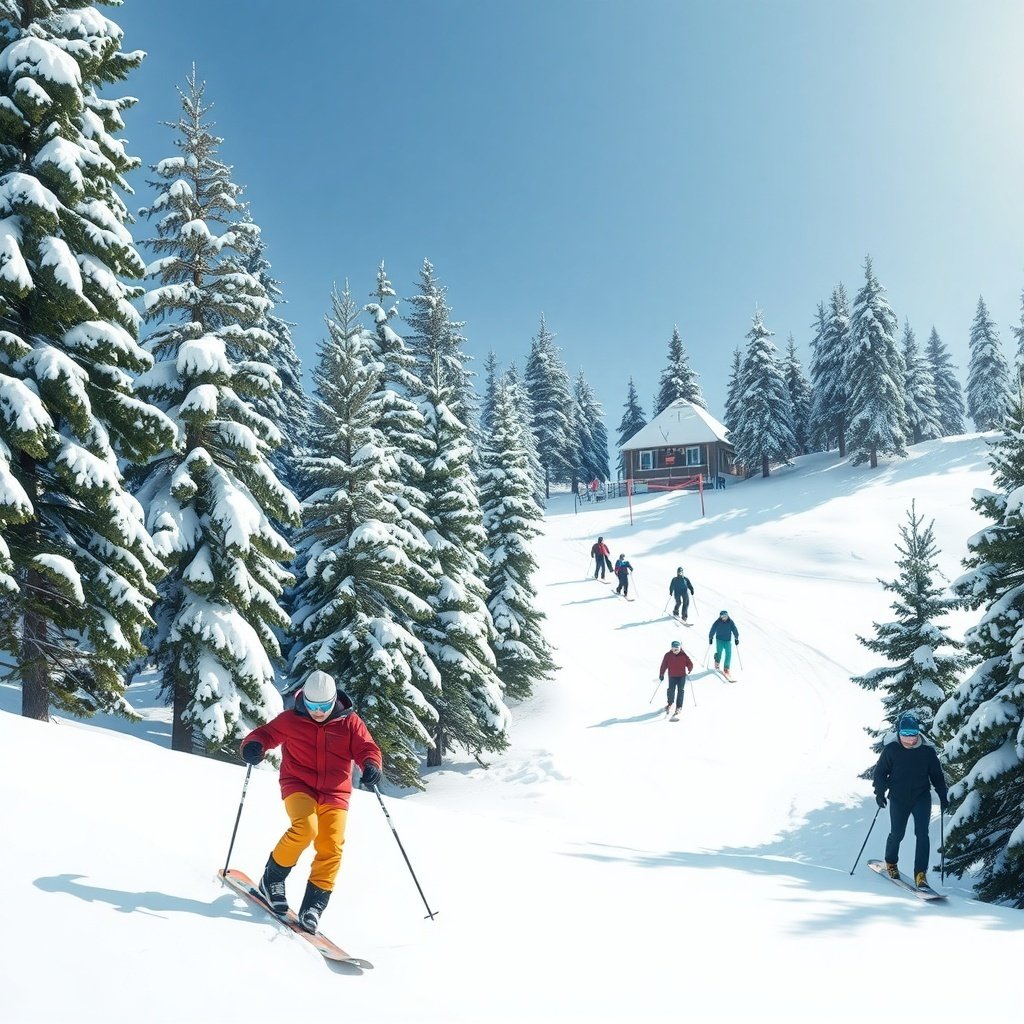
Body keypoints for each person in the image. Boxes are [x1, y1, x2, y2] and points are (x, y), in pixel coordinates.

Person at [240, 670, 383, 932]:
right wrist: (253, 746)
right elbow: (265, 735)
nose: (318, 711)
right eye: (312, 705)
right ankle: (272, 879)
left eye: (324, 706)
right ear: (303, 698)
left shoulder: (350, 723)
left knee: (331, 846)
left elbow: (367, 748)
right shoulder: (291, 720)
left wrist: (372, 764)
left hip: (335, 792)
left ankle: (314, 905)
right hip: (298, 784)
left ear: (334, 700)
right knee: (305, 828)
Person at [872, 711, 949, 888]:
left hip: (921, 797)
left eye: (912, 735)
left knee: (922, 834)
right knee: (897, 833)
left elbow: (937, 775)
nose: (909, 740)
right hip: (898, 797)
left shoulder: (927, 751)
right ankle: (891, 863)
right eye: (904, 736)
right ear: (899, 733)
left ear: (917, 733)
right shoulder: (891, 749)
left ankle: (920, 874)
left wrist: (943, 795)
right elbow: (881, 772)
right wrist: (880, 792)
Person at [658, 639, 694, 718]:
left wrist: (690, 668)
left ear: (680, 648)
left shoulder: (683, 655)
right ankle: (670, 703)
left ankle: (679, 706)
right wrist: (661, 673)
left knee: (680, 691)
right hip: (672, 676)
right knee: (671, 690)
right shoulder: (668, 655)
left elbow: (690, 663)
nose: (676, 651)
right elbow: (663, 665)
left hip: (681, 676)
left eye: (677, 649)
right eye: (674, 649)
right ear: (671, 648)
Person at [708, 610, 739, 677]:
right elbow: (713, 629)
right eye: (723, 616)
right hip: (719, 640)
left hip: (727, 641)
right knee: (719, 653)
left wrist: (736, 638)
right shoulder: (718, 622)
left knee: (728, 654)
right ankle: (717, 661)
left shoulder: (730, 622)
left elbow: (734, 629)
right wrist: (711, 637)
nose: (724, 618)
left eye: (726, 616)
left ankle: (726, 668)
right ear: (720, 617)